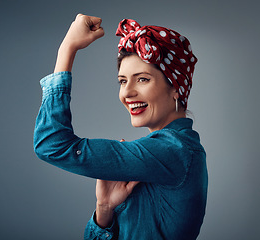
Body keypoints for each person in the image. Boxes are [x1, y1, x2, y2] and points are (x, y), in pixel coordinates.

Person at [34, 14, 208, 240]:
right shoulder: (165, 153)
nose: (126, 93)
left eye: (142, 79)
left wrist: (67, 49)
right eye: (123, 81)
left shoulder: (174, 150)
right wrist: (104, 209)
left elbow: (51, 144)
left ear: (176, 88)